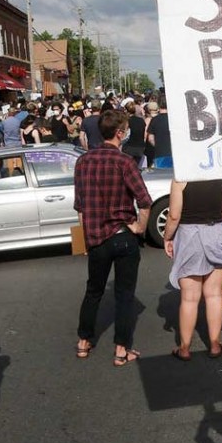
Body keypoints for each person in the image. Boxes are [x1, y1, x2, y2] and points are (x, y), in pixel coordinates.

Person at [73, 110, 152, 367]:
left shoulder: (83, 162)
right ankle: (121, 349)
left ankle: (84, 341)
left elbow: (81, 207)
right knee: (125, 294)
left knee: (93, 290)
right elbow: (144, 200)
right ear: (120, 133)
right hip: (122, 235)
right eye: (126, 128)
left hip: (95, 237)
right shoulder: (125, 162)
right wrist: (140, 227)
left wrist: (83, 240)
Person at [163, 179, 222, 360]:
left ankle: (184, 348)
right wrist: (221, 233)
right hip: (217, 231)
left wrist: (167, 237)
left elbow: (174, 215)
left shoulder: (180, 180)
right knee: (213, 294)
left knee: (189, 298)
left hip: (189, 236)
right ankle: (214, 345)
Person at [147, 96, 173, 168]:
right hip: (175, 154)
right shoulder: (174, 119)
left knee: (162, 177)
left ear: (158, 105)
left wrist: (158, 146)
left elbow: (150, 138)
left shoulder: (154, 120)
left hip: (160, 154)